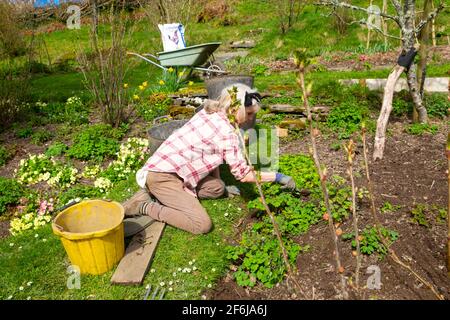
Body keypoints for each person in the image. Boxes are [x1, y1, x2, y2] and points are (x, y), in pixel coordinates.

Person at [123, 83, 296, 235]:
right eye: (249, 114)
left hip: (174, 170)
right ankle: (145, 205)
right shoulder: (228, 134)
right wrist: (278, 177)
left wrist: (220, 181)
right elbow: (243, 175)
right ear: (236, 110)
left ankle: (168, 196)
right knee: (201, 225)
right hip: (163, 176)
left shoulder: (209, 112)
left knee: (218, 188)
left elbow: (212, 154)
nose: (251, 119)